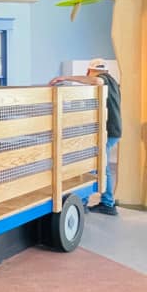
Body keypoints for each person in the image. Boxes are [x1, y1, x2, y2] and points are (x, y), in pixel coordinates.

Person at [49, 59, 121, 215]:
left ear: (90, 71)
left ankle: (107, 204)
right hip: (111, 130)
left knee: (99, 166)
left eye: (88, 73)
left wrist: (65, 78)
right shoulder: (112, 82)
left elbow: (96, 80)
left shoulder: (104, 79)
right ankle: (88, 201)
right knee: (97, 164)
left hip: (109, 131)